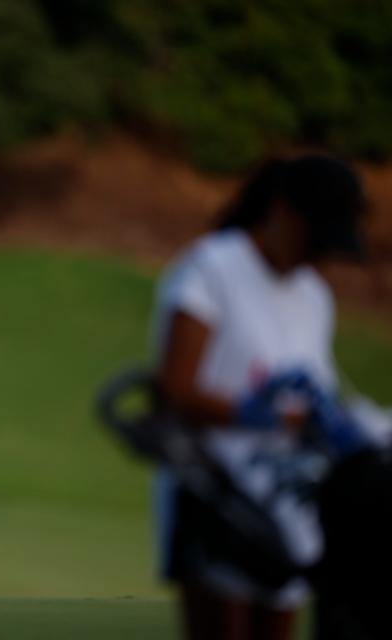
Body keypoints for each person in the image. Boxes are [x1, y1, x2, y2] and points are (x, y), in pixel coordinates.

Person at [150, 154, 367, 640]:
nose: (319, 257)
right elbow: (174, 389)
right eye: (316, 240)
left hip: (288, 500)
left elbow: (319, 388)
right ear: (284, 213)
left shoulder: (314, 295)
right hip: (213, 493)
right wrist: (252, 411)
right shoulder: (212, 269)